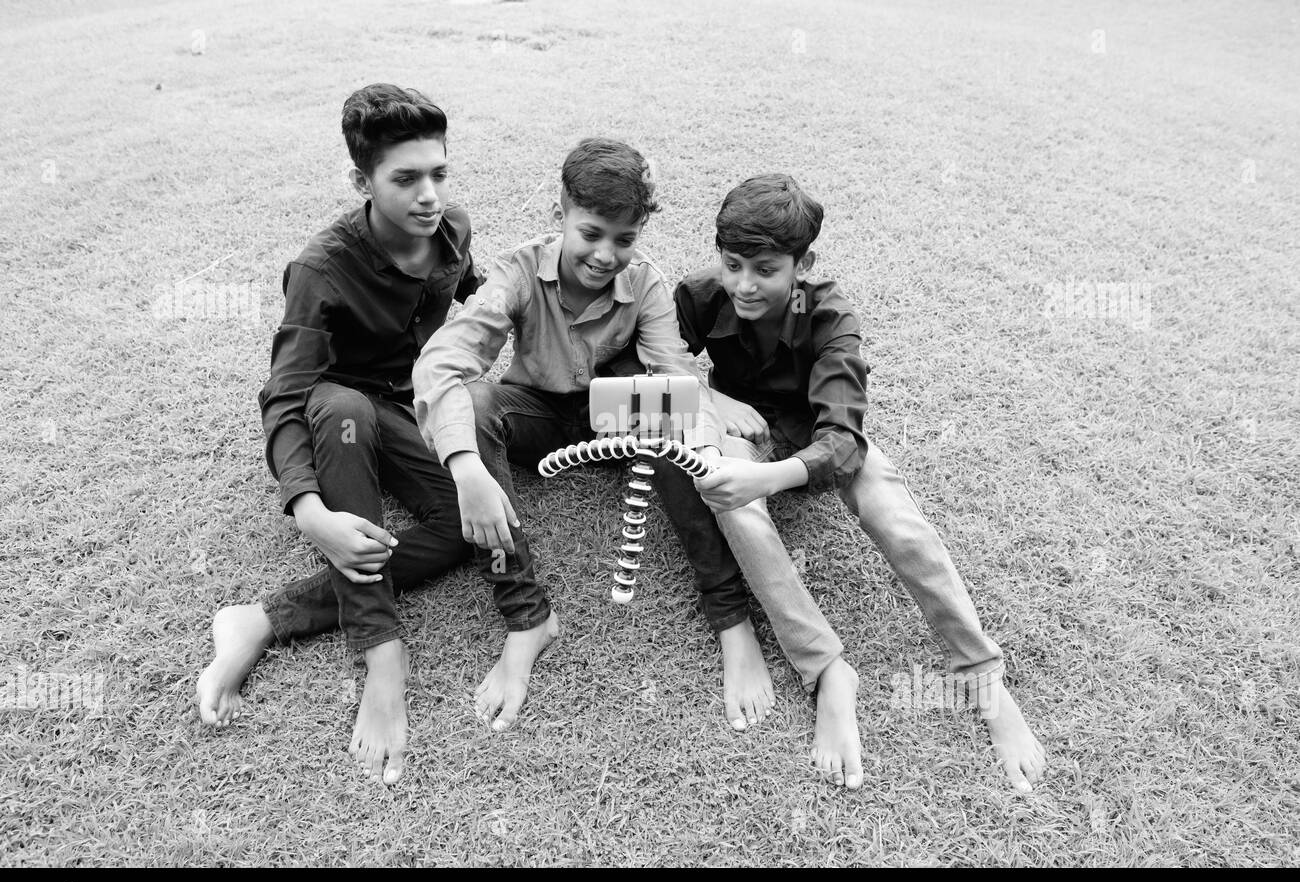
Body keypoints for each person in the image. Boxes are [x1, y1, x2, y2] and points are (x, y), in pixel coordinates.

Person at [657, 173, 1047, 792]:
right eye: (731, 265)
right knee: (726, 492)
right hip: (746, 433)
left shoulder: (834, 316)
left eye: (764, 269)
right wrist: (710, 395)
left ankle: (981, 671)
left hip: (817, 441)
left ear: (802, 264)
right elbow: (654, 360)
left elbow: (842, 441)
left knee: (892, 511)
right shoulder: (701, 295)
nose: (743, 285)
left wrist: (768, 476)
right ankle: (828, 670)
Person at [197, 84, 483, 786]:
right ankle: (382, 653)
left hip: (407, 408)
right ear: (362, 181)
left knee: (466, 528)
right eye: (406, 179)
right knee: (342, 408)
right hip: (339, 416)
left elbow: (477, 294)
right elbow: (286, 395)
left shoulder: (453, 231)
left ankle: (261, 618)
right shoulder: (322, 268)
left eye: (439, 173)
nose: (429, 195)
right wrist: (311, 510)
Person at [412, 137, 723, 735]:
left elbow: (675, 379)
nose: (606, 255)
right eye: (591, 233)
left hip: (614, 418)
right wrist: (467, 466)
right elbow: (444, 361)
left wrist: (702, 432)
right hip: (534, 418)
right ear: (561, 213)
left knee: (669, 405)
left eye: (625, 240)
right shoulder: (517, 272)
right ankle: (527, 616)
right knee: (476, 402)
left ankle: (726, 604)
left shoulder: (647, 285)